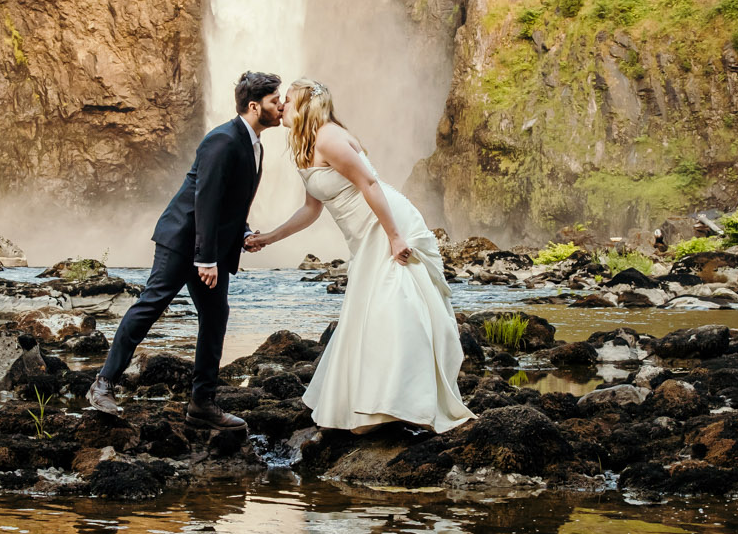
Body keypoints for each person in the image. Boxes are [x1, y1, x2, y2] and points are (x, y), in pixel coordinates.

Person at [247, 79, 473, 434]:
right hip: (363, 236)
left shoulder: (328, 137)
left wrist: (395, 236)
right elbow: (311, 208)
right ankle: (372, 407)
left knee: (395, 308)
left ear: (305, 106)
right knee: (371, 311)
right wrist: (270, 238)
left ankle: (404, 403)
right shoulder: (306, 145)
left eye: (287, 101)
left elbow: (370, 184)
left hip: (385, 226)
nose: (281, 107)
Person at [88, 71, 283, 427]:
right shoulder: (222, 140)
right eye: (275, 101)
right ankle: (103, 383)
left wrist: (242, 232)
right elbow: (205, 200)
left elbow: (230, 202)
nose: (282, 106)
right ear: (255, 106)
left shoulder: (253, 143)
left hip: (212, 247)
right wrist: (205, 257)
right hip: (183, 241)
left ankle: (202, 404)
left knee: (215, 317)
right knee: (151, 304)